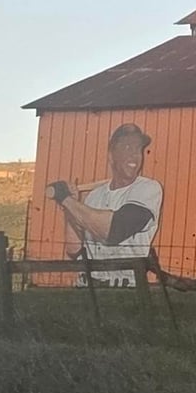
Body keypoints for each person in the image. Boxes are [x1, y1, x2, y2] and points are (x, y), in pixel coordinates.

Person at [45, 123, 163, 287]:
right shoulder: (95, 196)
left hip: (125, 291)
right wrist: (70, 207)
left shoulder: (148, 189)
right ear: (111, 155)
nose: (135, 155)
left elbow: (113, 231)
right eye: (127, 147)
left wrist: (65, 199)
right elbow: (74, 250)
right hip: (87, 288)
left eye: (138, 149)